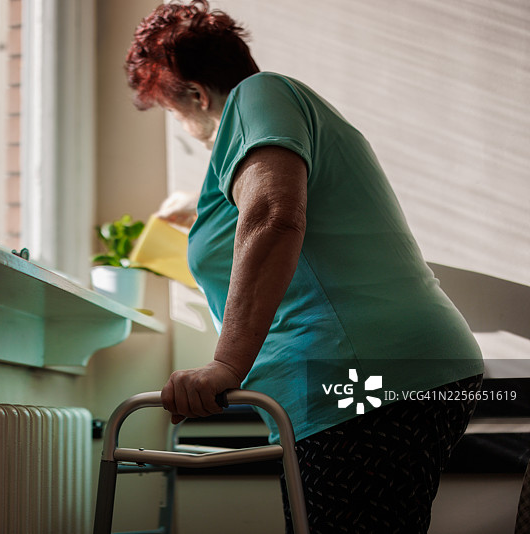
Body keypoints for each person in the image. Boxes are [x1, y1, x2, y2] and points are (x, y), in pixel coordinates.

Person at [125, 2, 485, 533]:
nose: (183, 131)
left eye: (173, 114)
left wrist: (225, 366)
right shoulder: (270, 123)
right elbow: (283, 254)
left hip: (363, 376)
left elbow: (273, 217)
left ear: (197, 95)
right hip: (363, 376)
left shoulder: (259, 94)